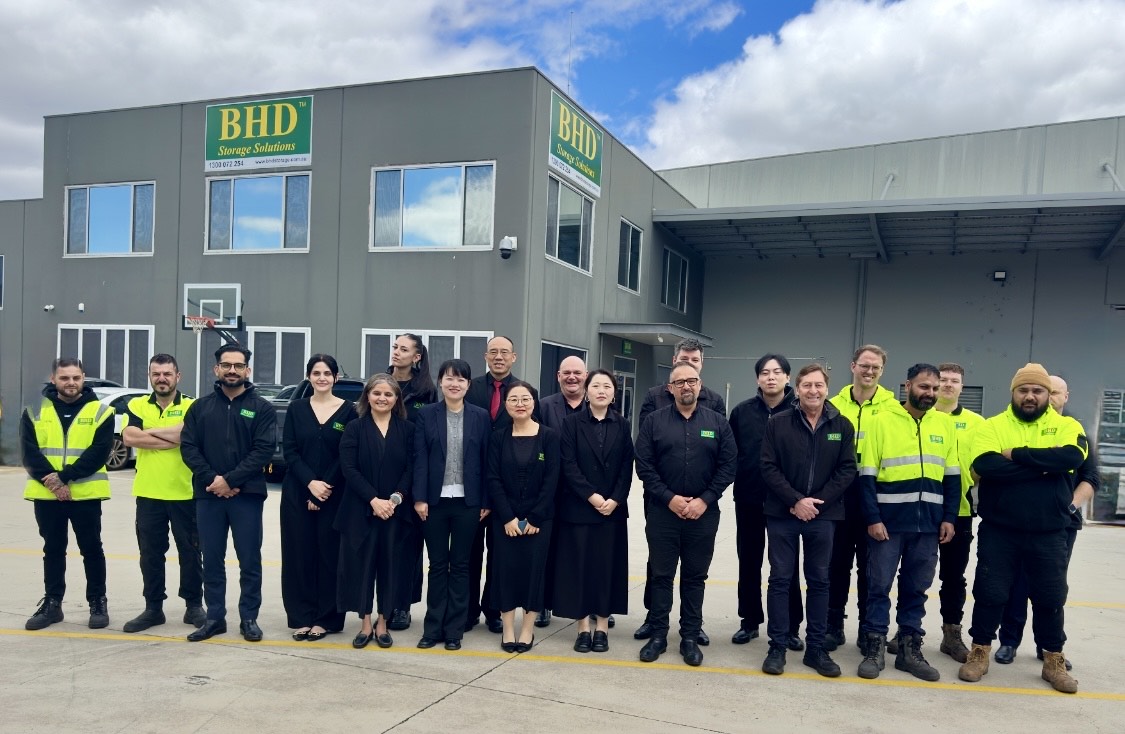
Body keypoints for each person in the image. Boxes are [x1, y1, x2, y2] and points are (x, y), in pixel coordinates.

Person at [958, 364, 1087, 694]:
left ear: (1047, 394)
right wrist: (1045, 467)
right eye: (1023, 390)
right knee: (990, 591)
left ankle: (1053, 660)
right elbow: (985, 465)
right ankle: (979, 652)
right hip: (1000, 529)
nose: (1030, 396)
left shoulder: (1067, 426)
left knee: (1050, 596)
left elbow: (1071, 458)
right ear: (1013, 393)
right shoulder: (992, 426)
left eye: (1037, 391)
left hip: (1049, 531)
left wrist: (1014, 455)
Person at [855, 363, 959, 682]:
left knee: (916, 589)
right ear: (908, 385)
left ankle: (909, 650)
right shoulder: (881, 421)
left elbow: (952, 477)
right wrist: (872, 518)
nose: (930, 393)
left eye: (934, 388)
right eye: (924, 386)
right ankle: (874, 647)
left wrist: (949, 518)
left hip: (928, 526)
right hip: (888, 524)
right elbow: (866, 476)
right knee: (878, 587)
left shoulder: (944, 424)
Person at [634, 362, 736, 667]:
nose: (686, 386)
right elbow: (644, 466)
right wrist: (669, 499)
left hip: (703, 515)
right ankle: (658, 636)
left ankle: (689, 637)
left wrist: (705, 500)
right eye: (679, 382)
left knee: (695, 578)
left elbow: (728, 465)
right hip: (663, 513)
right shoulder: (654, 422)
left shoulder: (717, 423)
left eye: (692, 381)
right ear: (670, 388)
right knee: (661, 576)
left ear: (700, 385)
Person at [994, 375, 1097, 670]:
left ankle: (1048, 646)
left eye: (1054, 393)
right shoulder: (1025, 429)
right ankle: (1009, 641)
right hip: (1021, 521)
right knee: (1016, 583)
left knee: (1050, 588)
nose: (1047, 398)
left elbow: (1090, 477)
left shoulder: (1074, 432)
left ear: (1065, 397)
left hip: (1061, 524)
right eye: (1044, 392)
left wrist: (1069, 506)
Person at [759, 363, 856, 676]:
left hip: (823, 516)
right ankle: (777, 647)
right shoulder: (778, 423)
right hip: (782, 514)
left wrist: (816, 504)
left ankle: (815, 649)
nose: (813, 391)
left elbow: (847, 469)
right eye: (807, 385)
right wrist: (795, 501)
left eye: (818, 385)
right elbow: (768, 466)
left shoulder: (841, 425)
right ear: (797, 389)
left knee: (819, 581)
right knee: (780, 579)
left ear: (827, 389)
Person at [180, 343, 277, 642]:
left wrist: (231, 480)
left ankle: (249, 618)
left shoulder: (262, 408)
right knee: (211, 560)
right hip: (208, 495)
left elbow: (263, 450)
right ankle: (214, 618)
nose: (232, 370)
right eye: (226, 365)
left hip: (247, 496)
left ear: (248, 370)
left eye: (238, 365)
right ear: (216, 369)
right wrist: (213, 480)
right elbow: (189, 447)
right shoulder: (200, 408)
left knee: (249, 560)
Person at [21, 357, 114, 631]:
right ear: (53, 379)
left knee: (92, 549)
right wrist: (54, 484)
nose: (70, 383)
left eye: (75, 377)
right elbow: (28, 453)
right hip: (48, 496)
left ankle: (97, 602)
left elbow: (99, 453)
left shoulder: (101, 411)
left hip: (85, 495)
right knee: (53, 550)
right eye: (64, 378)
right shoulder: (33, 411)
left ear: (83, 378)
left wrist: (64, 477)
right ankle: (52, 604)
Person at [120, 354, 206, 633]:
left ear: (177, 376)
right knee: (150, 554)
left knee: (190, 553)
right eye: (156, 373)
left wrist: (149, 432)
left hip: (185, 493)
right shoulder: (136, 404)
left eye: (167, 374)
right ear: (149, 376)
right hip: (149, 493)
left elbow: (185, 436)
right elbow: (129, 437)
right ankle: (153, 608)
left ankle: (194, 606)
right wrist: (169, 436)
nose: (162, 378)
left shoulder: (192, 405)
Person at [413, 359, 492, 651]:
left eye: (460, 379)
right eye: (449, 378)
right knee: (437, 565)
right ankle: (432, 628)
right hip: (434, 503)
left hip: (468, 503)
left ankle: (454, 630)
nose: (454, 384)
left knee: (460, 566)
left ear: (468, 385)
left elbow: (487, 460)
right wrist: (420, 497)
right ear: (440, 382)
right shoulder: (427, 414)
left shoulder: (480, 416)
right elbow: (420, 458)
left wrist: (485, 500)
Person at [465, 335, 540, 634]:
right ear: (486, 356)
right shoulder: (471, 389)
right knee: (471, 553)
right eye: (493, 352)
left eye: (504, 352)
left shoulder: (524, 391)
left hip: (507, 492)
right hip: (473, 485)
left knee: (500, 556)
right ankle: (468, 610)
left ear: (514, 357)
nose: (499, 357)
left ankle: (493, 609)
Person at [728, 353, 804, 649]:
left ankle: (791, 626)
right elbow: (730, 453)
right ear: (757, 378)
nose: (770, 377)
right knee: (748, 561)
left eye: (777, 372)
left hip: (786, 502)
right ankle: (749, 621)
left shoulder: (799, 411)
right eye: (764, 372)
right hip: (749, 498)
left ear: (787, 377)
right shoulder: (742, 412)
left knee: (786, 566)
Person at [554, 369, 633, 653]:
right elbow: (568, 464)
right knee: (580, 569)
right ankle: (582, 628)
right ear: (586, 391)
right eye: (596, 386)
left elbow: (627, 466)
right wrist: (592, 496)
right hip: (579, 509)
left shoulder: (622, 425)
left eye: (607, 386)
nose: (601, 390)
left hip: (612, 511)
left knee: (606, 570)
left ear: (614, 394)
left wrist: (615, 499)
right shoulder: (571, 423)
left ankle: (601, 627)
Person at [335, 374, 415, 649]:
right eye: (377, 393)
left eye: (388, 394)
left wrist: (394, 499)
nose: (382, 398)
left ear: (397, 399)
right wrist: (373, 500)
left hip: (395, 512)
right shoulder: (354, 428)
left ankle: (383, 622)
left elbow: (411, 468)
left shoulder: (407, 430)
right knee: (362, 567)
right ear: (367, 396)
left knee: (391, 567)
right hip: (361, 511)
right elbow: (349, 468)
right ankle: (365, 622)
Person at [825, 344, 897, 650]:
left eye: (875, 367)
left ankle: (869, 630)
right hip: (839, 496)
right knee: (836, 565)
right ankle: (833, 625)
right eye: (864, 365)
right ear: (853, 366)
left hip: (875, 497)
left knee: (871, 569)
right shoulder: (832, 404)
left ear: (882, 371)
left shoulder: (893, 408)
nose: (869, 371)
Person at [281, 354, 356, 641]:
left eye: (327, 373)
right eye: (316, 373)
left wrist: (324, 488)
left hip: (334, 495)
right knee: (298, 556)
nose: (322, 378)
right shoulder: (297, 408)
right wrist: (310, 483)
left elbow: (345, 455)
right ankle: (301, 617)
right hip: (297, 492)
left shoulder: (349, 411)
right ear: (309, 377)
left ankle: (326, 619)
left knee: (329, 557)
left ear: (336, 378)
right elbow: (290, 451)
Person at [487, 382, 560, 653]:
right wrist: (507, 517)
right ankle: (508, 628)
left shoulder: (549, 437)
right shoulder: (498, 437)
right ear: (505, 404)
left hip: (539, 520)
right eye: (514, 399)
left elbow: (552, 479)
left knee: (534, 573)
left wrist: (536, 517)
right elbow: (493, 478)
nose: (520, 404)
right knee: (504, 572)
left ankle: (527, 629)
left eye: (525, 399)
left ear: (534, 403)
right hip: (503, 520)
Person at [931, 362, 985, 662]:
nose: (948, 385)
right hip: (920, 508)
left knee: (953, 577)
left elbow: (982, 464)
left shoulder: (977, 423)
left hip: (960, 511)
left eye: (954, 381)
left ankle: (951, 634)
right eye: (943, 380)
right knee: (912, 574)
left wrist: (967, 482)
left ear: (962, 387)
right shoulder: (920, 416)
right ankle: (906, 631)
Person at [386, 334, 437, 632]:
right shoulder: (380, 383)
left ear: (417, 357)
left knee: (408, 548)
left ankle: (402, 606)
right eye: (395, 347)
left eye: (403, 349)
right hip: (380, 477)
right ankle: (384, 604)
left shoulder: (426, 391)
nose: (396, 352)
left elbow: (429, 440)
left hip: (412, 478)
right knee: (383, 548)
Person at [535, 354, 588, 629]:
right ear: (558, 376)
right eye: (566, 372)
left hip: (587, 494)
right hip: (552, 491)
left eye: (577, 372)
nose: (572, 377)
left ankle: (592, 603)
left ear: (585, 376)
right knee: (548, 550)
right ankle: (543, 604)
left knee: (586, 552)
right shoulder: (544, 406)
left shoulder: (597, 405)